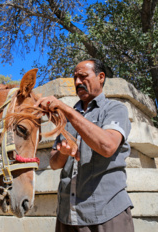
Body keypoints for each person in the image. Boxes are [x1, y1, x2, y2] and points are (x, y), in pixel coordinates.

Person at [35, 59, 134, 232]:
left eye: (83, 76)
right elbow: (54, 163)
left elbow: (108, 146)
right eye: (75, 78)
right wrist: (64, 153)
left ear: (101, 77)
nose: (78, 82)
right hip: (68, 215)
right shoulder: (68, 118)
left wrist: (65, 110)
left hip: (107, 214)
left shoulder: (115, 109)